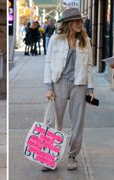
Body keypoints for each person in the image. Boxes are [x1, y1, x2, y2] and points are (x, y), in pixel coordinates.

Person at [43, 8, 94, 171]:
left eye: (81, 21)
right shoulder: (55, 39)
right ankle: (49, 157)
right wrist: (48, 87)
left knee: (77, 122)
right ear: (68, 24)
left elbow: (88, 65)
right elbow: (48, 63)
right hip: (59, 82)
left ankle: (72, 156)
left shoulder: (85, 40)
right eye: (76, 21)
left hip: (79, 83)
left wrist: (90, 88)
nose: (80, 24)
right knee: (53, 121)